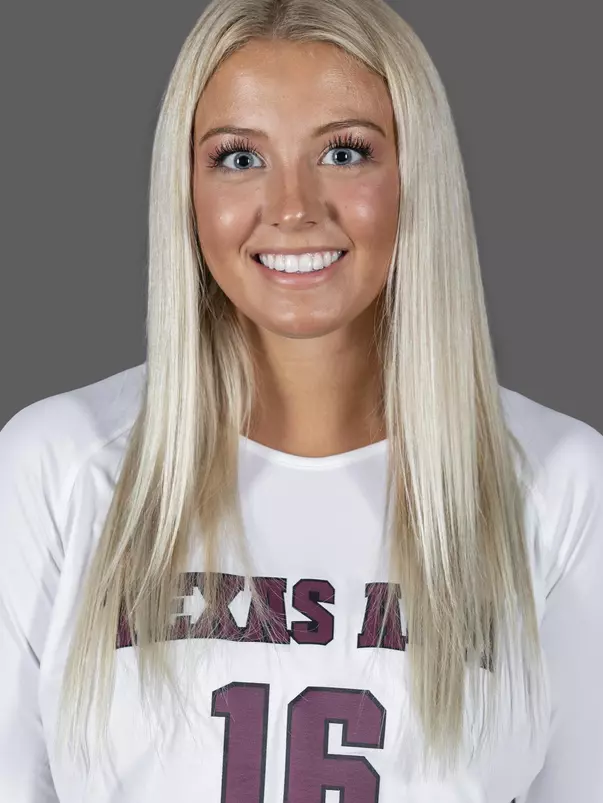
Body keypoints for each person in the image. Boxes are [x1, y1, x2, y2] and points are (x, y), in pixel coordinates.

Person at [1, 0, 602, 800]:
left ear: (414, 175)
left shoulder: (559, 485)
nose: (291, 206)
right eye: (238, 158)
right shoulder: (60, 466)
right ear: (185, 188)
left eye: (344, 152)